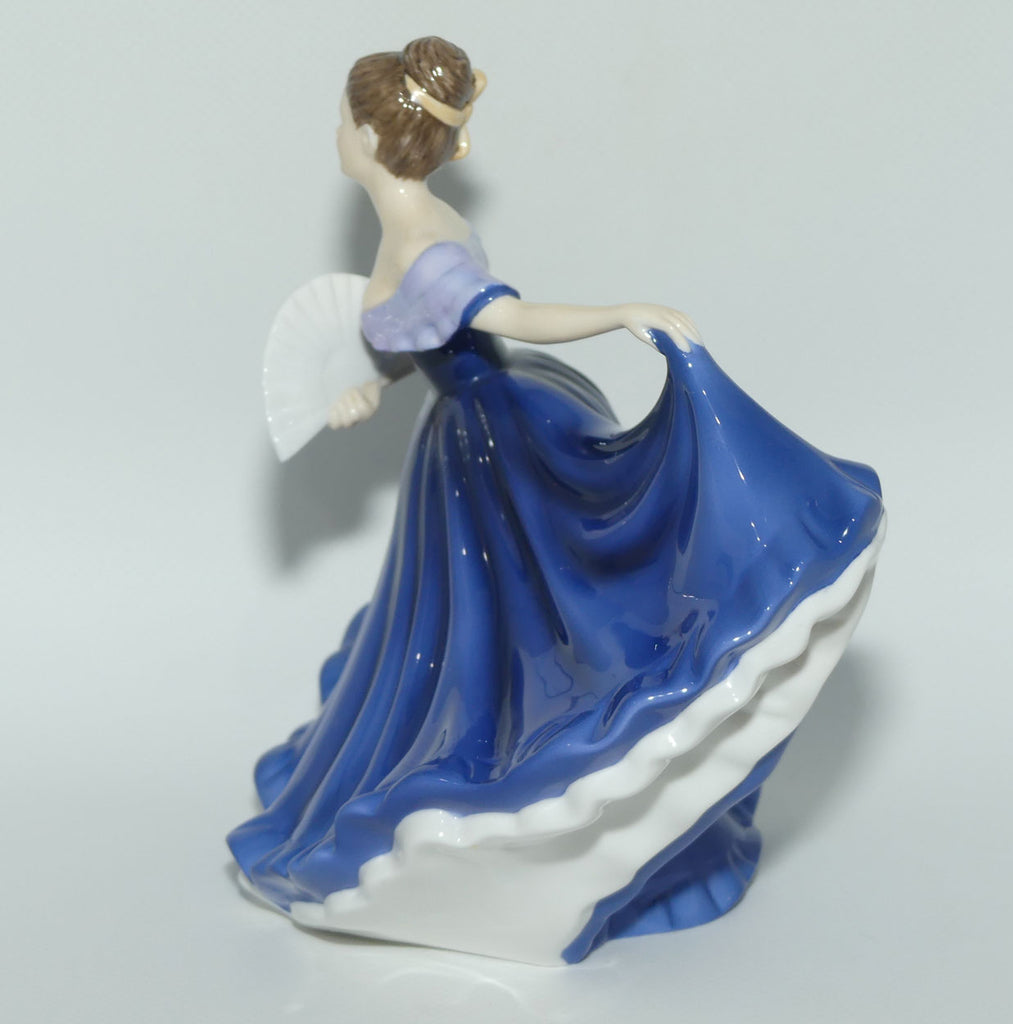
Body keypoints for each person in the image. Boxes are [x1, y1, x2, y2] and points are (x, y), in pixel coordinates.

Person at [228, 37, 885, 965]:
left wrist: (619, 314)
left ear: (373, 136)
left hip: (489, 439)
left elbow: (503, 317)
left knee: (532, 617)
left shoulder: (421, 240)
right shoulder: (419, 222)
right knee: (480, 627)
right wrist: (373, 384)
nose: (336, 133)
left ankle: (555, 797)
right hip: (472, 424)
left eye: (343, 119)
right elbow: (431, 334)